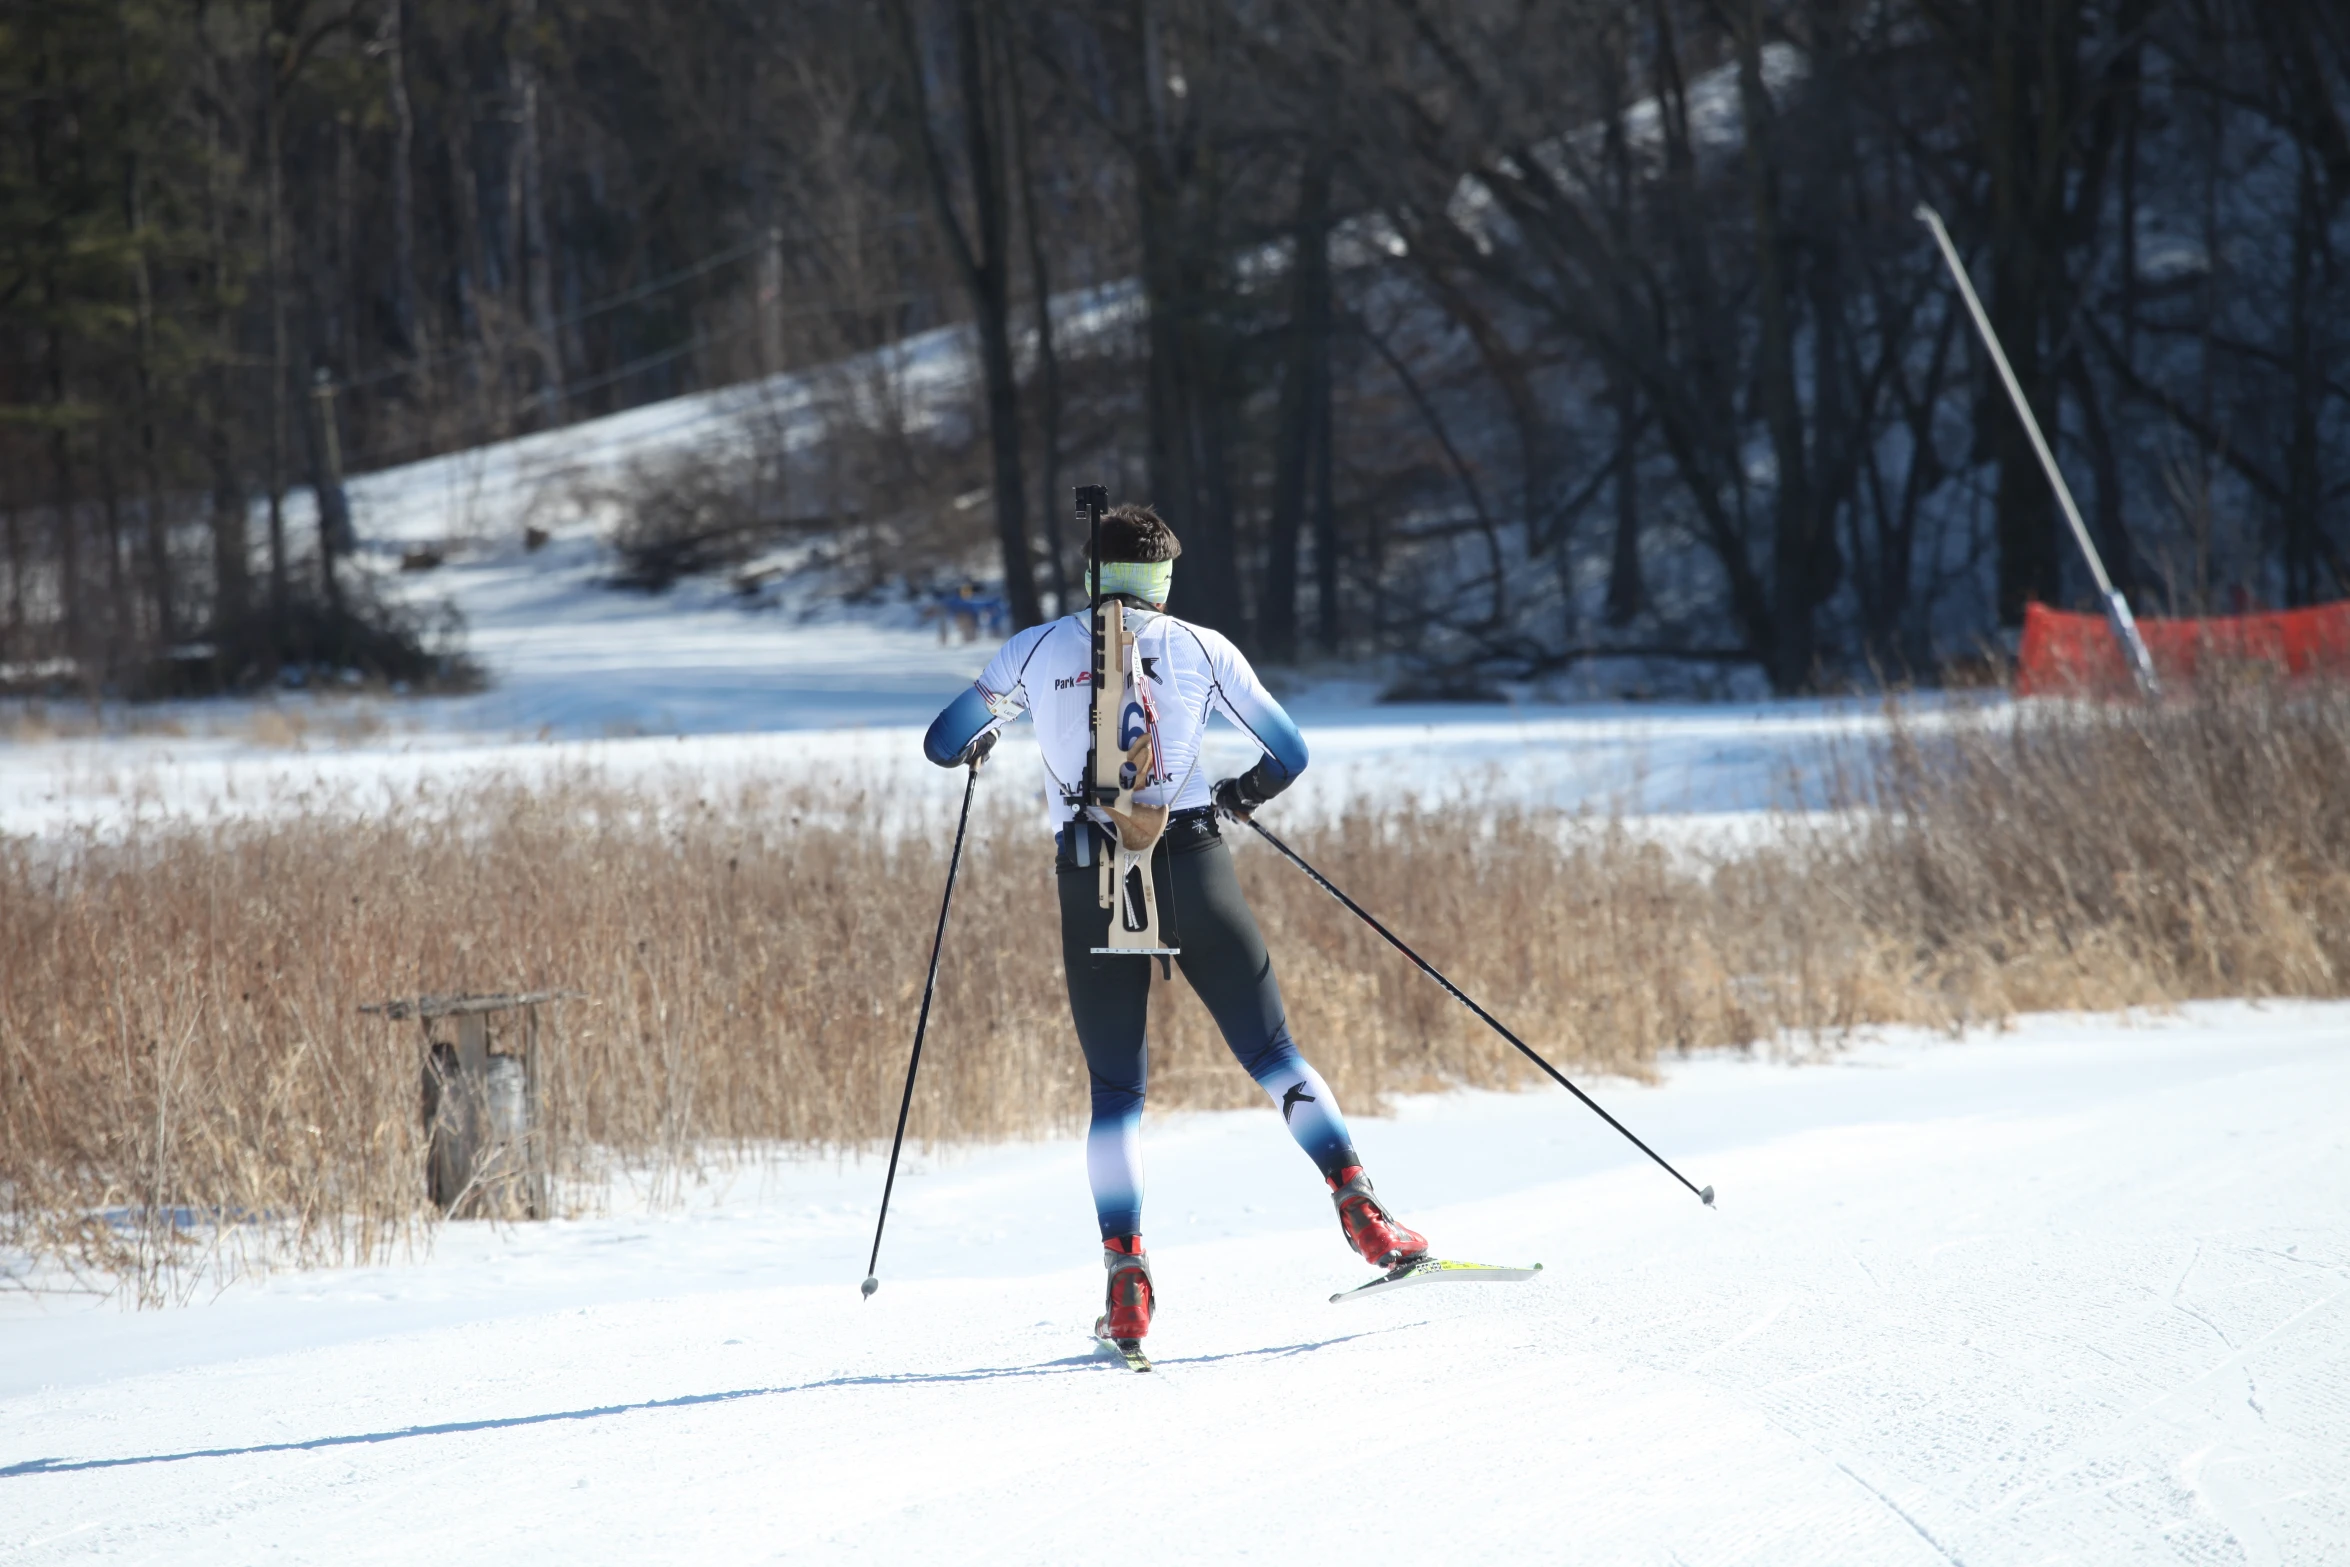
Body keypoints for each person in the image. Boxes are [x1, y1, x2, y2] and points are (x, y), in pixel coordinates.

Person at [922, 503, 1428, 1349]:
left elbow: (943, 742)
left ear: (1091, 574)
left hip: (1087, 870)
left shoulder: (1036, 648)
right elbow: (1290, 753)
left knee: (1117, 1094)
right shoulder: (1202, 646)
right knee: (1272, 1054)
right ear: (1161, 580)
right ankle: (1363, 1209)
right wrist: (1239, 794)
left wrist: (986, 738)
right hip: (1190, 854)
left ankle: (1127, 1280)